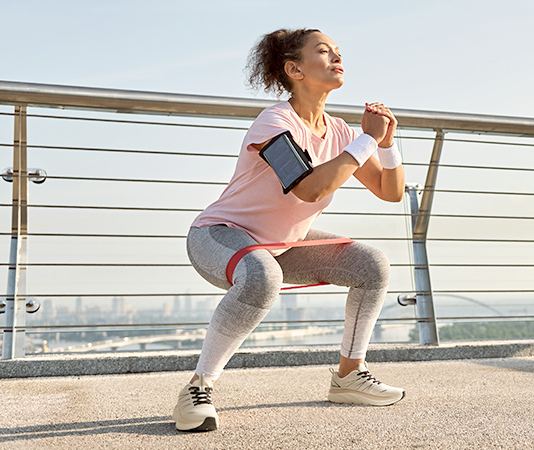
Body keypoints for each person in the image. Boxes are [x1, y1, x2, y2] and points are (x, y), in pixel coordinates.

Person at [173, 28, 406, 432]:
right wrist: (366, 138)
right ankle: (198, 388)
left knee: (371, 264)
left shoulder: (340, 132)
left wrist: (385, 143)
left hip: (282, 245)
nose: (336, 57)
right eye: (323, 51)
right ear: (294, 69)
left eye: (338, 51)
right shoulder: (275, 123)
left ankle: (349, 375)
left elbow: (391, 191)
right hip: (219, 235)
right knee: (262, 276)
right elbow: (310, 188)